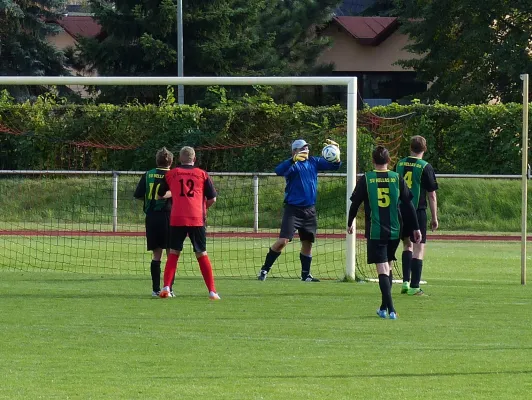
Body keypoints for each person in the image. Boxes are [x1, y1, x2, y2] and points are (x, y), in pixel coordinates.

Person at [347, 146, 421, 320]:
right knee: (386, 266)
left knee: (382, 269)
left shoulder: (366, 178)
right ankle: (382, 307)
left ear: (373, 161)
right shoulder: (396, 178)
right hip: (396, 230)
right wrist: (416, 227)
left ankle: (392, 309)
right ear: (389, 161)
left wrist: (350, 222)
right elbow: (409, 205)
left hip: (376, 230)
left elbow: (355, 203)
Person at [257, 139, 341, 282]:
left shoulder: (314, 162)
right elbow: (278, 171)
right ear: (295, 151)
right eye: (302, 148)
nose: (306, 150)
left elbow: (334, 166)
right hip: (293, 210)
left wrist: (337, 155)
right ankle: (265, 269)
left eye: (307, 148)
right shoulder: (292, 165)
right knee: (283, 241)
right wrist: (292, 160)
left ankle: (305, 275)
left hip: (309, 210)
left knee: (307, 243)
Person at [156, 146, 220, 300]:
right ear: (194, 159)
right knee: (201, 253)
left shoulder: (172, 174)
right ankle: (212, 291)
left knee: (173, 253)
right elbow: (213, 199)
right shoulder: (202, 174)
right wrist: (202, 208)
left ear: (179, 159)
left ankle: (165, 288)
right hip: (196, 218)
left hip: (177, 217)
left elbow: (160, 193)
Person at [396, 135, 439, 296]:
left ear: (410, 148)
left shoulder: (399, 164)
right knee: (419, 248)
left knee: (406, 245)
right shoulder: (425, 167)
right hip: (417, 210)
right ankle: (415, 286)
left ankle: (405, 282)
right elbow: (432, 195)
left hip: (400, 210)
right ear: (425, 149)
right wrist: (434, 217)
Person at [134, 147, 174, 297]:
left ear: (156, 160)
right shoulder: (172, 175)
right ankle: (169, 288)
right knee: (172, 254)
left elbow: (138, 195)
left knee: (156, 255)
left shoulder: (148, 174)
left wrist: (149, 200)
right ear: (171, 161)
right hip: (169, 216)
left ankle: (156, 289)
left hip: (151, 217)